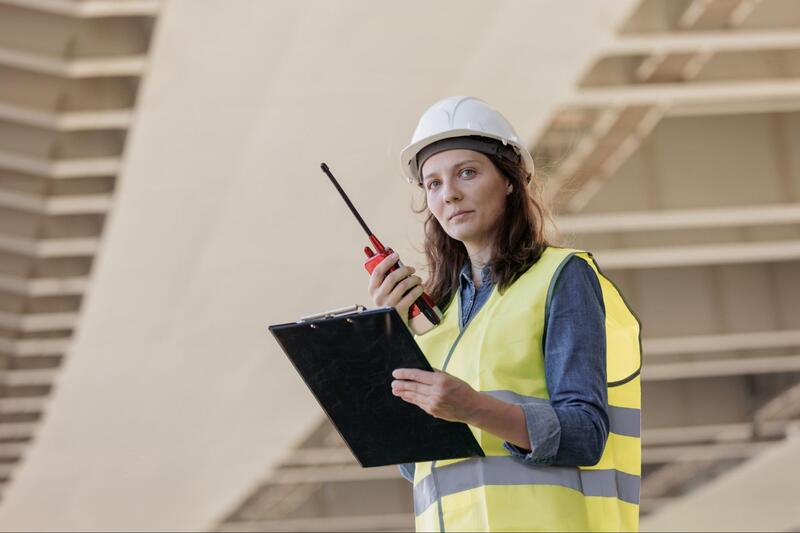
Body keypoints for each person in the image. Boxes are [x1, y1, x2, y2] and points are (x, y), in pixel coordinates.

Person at [367, 96, 642, 532]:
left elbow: (585, 433)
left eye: (467, 173)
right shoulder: (438, 320)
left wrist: (473, 408)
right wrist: (386, 341)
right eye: (433, 183)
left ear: (510, 181)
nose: (449, 193)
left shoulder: (560, 277)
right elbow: (414, 467)